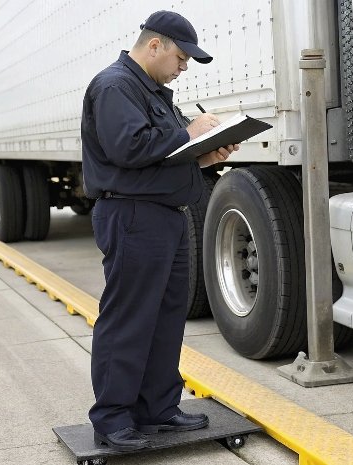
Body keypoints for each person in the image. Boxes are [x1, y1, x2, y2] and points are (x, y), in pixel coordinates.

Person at [80, 10, 239, 452]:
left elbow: (165, 154)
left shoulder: (152, 90)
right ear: (155, 46)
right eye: (182, 56)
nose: (184, 66)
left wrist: (205, 156)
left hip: (165, 215)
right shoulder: (115, 86)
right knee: (129, 318)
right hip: (133, 216)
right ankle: (112, 419)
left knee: (167, 317)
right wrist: (189, 131)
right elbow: (128, 147)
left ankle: (157, 409)